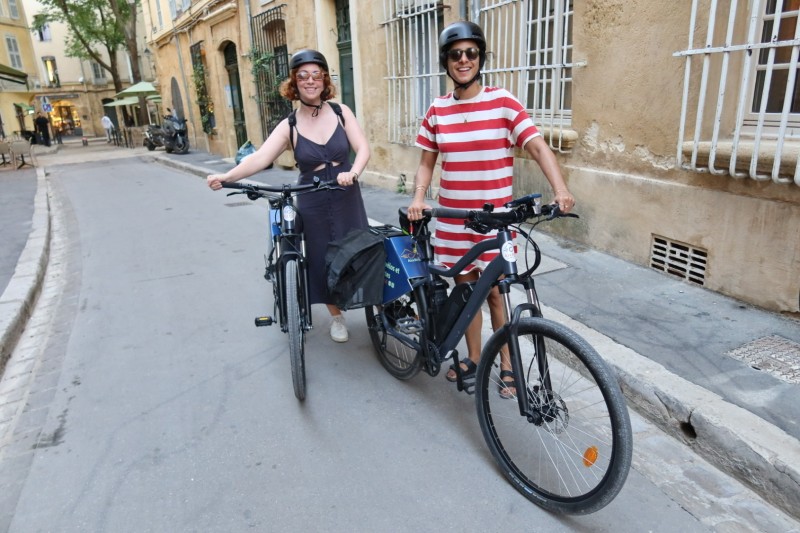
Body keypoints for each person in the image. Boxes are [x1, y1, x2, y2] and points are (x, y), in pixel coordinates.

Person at [407, 21, 576, 398]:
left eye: (471, 53)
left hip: (496, 220)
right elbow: (426, 163)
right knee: (465, 292)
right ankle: (472, 356)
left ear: (481, 58)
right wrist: (419, 197)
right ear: (446, 62)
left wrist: (560, 188)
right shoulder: (437, 110)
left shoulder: (503, 102)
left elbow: (536, 146)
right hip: (454, 218)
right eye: (455, 54)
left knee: (498, 293)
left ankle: (507, 363)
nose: (463, 60)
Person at [207, 49, 370, 343]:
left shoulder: (341, 111)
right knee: (321, 257)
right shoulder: (289, 125)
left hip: (346, 192)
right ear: (295, 82)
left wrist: (354, 172)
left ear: (324, 79)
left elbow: (363, 148)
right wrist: (227, 177)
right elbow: (259, 158)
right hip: (312, 196)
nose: (310, 81)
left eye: (316, 75)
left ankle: (373, 305)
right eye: (303, 75)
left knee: (360, 249)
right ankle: (336, 316)